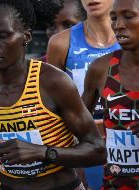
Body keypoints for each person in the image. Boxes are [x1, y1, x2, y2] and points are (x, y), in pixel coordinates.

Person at [0, 0, 106, 189]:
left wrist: (43, 152)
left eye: (4, 35)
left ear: (26, 37)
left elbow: (97, 150)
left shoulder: (52, 82)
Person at [46, 0, 120, 189]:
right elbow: (51, 109)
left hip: (128, 145)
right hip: (82, 150)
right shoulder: (60, 43)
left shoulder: (132, 38)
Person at [82, 0, 139, 189]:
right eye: (113, 18)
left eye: (129, 16)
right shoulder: (101, 68)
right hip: (114, 184)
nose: (118, 25)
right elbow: (76, 129)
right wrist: (79, 180)